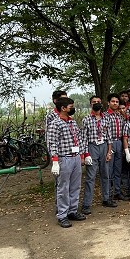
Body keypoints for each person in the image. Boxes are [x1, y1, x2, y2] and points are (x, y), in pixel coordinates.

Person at [46, 96, 89, 228]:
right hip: (63, 158)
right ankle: (62, 215)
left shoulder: (72, 122)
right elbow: (52, 143)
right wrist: (55, 161)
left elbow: (79, 139)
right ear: (63, 108)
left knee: (75, 186)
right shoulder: (55, 124)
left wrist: (83, 154)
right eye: (71, 107)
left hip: (75, 157)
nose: (73, 109)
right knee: (63, 187)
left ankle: (72, 211)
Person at [81, 95, 114, 213]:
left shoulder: (106, 118)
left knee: (106, 174)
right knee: (91, 177)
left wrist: (109, 152)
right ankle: (86, 204)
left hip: (104, 147)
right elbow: (83, 138)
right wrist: (85, 154)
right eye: (94, 102)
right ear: (91, 104)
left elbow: (109, 137)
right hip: (92, 146)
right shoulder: (86, 119)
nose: (96, 103)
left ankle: (106, 198)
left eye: (98, 102)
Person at [104, 93, 127, 201]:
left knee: (118, 169)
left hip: (119, 142)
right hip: (110, 143)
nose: (115, 103)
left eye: (117, 102)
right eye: (113, 101)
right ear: (108, 103)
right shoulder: (105, 116)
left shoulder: (120, 115)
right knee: (109, 170)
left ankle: (117, 191)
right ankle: (108, 194)